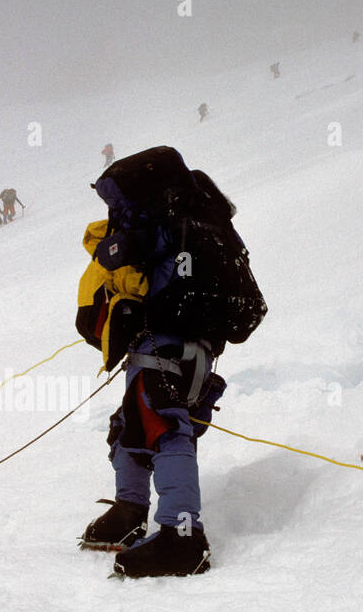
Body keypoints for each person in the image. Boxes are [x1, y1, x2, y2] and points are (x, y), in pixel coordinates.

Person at [75, 147, 266, 578]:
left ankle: (183, 538)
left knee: (163, 425)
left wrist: (117, 252)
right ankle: (131, 510)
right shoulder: (199, 222)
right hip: (185, 345)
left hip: (164, 345)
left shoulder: (166, 227)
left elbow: (121, 258)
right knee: (133, 425)